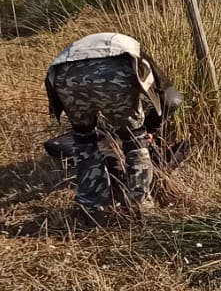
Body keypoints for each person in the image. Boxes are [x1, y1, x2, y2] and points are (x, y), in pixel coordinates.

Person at [44, 31, 181, 213]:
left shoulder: (79, 47)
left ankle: (92, 206)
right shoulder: (132, 50)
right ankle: (139, 206)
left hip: (63, 73)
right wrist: (147, 128)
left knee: (84, 140)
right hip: (113, 72)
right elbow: (172, 100)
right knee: (134, 138)